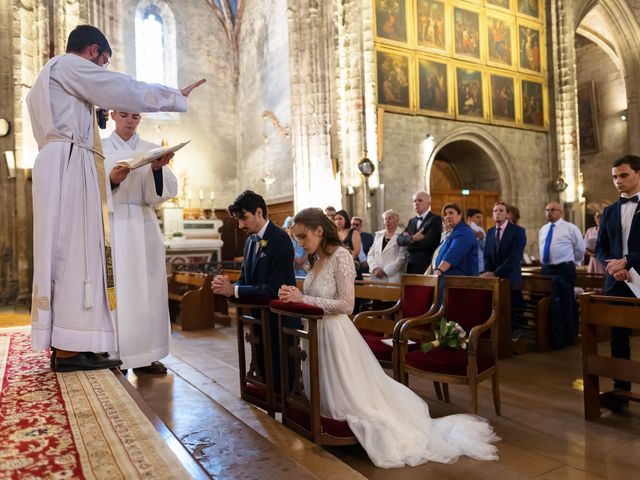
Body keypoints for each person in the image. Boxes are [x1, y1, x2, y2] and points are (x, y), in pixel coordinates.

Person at [27, 24, 205, 372]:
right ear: (93, 51)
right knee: (73, 254)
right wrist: (173, 96)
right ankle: (68, 348)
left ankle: (71, 341)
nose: (102, 71)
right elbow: (120, 88)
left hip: (57, 163)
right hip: (70, 163)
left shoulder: (47, 77)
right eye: (103, 62)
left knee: (63, 252)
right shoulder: (69, 65)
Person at [278, 208, 498, 469]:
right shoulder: (316, 260)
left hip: (336, 334)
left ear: (319, 231)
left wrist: (303, 299)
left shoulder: (341, 257)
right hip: (316, 331)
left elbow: (347, 305)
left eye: (303, 237)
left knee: (354, 399)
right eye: (298, 239)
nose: (301, 244)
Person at [102, 111, 176, 374]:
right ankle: (116, 353)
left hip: (144, 224)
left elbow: (163, 193)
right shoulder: (100, 147)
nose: (130, 121)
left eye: (135, 116)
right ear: (112, 115)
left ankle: (146, 354)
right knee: (119, 291)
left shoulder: (151, 150)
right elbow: (90, 186)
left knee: (149, 289)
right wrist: (111, 181)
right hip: (114, 225)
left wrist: (157, 169)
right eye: (124, 115)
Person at [211, 191, 297, 391]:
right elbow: (245, 279)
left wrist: (235, 290)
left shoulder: (280, 238)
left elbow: (275, 288)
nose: (240, 225)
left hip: (279, 318)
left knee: (282, 374)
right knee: (264, 367)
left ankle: (284, 405)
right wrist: (228, 287)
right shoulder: (250, 241)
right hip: (259, 317)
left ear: (259, 212)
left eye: (244, 218)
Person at [596, 155, 640, 407]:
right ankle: (620, 391)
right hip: (616, 281)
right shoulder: (610, 211)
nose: (617, 181)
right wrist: (613, 266)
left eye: (623, 175)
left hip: (639, 276)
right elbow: (601, 246)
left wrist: (628, 260)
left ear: (638, 174)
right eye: (614, 176)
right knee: (618, 337)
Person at [538, 202, 585, 349]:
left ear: (561, 212)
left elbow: (580, 249)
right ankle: (552, 337)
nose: (549, 213)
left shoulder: (570, 228)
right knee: (551, 304)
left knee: (566, 303)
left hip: (563, 270)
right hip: (547, 270)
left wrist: (571, 263)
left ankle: (569, 336)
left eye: (552, 210)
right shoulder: (544, 229)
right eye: (547, 210)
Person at [481, 202, 527, 340]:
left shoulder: (518, 231)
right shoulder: (489, 232)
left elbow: (515, 257)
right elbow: (487, 255)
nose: (497, 213)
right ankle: (496, 334)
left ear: (507, 214)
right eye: (495, 211)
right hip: (493, 277)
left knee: (510, 307)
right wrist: (489, 272)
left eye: (501, 210)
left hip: (510, 276)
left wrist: (495, 273)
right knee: (494, 306)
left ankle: (514, 333)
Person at [397, 191, 442, 273]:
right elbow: (399, 240)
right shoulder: (412, 221)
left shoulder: (435, 219)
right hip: (410, 265)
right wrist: (413, 238)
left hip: (426, 265)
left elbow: (428, 243)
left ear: (429, 204)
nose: (416, 203)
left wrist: (408, 240)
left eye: (420, 200)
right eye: (414, 201)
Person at [432, 203, 479, 278]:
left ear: (460, 215)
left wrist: (439, 270)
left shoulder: (464, 232)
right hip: (447, 280)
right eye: (445, 214)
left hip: (459, 283)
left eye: (451, 213)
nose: (447, 216)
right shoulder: (452, 233)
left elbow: (453, 253)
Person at [367, 210, 407, 283]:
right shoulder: (378, 235)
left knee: (392, 294)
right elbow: (370, 254)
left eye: (390, 218)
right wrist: (374, 268)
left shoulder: (402, 235)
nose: (387, 221)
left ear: (397, 221)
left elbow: (402, 257)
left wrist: (385, 271)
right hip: (376, 276)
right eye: (385, 219)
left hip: (393, 276)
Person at [334, 209, 362, 276]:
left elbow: (356, 252)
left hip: (352, 265)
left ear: (346, 219)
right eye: (336, 219)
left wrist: (344, 261)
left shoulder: (354, 232)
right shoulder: (335, 233)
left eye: (340, 218)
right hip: (338, 267)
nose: (338, 221)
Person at [466, 208, 486, 273]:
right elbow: (485, 247)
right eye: (477, 217)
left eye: (481, 217)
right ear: (469, 218)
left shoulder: (480, 229)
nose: (480, 220)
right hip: (478, 263)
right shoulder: (478, 229)